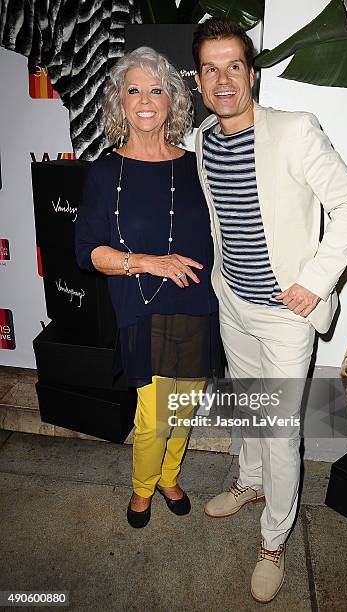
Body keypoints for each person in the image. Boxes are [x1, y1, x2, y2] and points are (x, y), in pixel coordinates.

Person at [192, 17, 347, 603]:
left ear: (251, 73)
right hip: (233, 301)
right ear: (198, 79)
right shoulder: (202, 141)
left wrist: (315, 282)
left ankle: (273, 542)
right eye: (210, 69)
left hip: (284, 315)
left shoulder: (294, 131)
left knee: (281, 430)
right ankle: (248, 482)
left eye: (233, 67)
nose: (222, 81)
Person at [75, 47, 221, 529]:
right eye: (133, 89)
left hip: (196, 304)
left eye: (156, 89)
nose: (145, 99)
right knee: (154, 415)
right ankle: (142, 488)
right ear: (119, 102)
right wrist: (148, 263)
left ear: (171, 100)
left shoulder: (195, 165)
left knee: (183, 410)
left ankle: (168, 475)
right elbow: (88, 252)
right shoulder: (102, 172)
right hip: (141, 308)